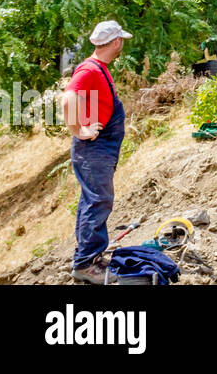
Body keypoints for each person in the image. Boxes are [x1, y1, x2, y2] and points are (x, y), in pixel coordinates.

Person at [60, 20, 133, 284]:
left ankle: (88, 258)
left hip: (96, 149)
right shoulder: (90, 70)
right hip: (93, 149)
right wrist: (79, 130)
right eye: (121, 40)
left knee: (92, 200)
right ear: (116, 42)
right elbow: (68, 98)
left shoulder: (98, 68)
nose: (122, 44)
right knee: (98, 201)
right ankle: (85, 265)